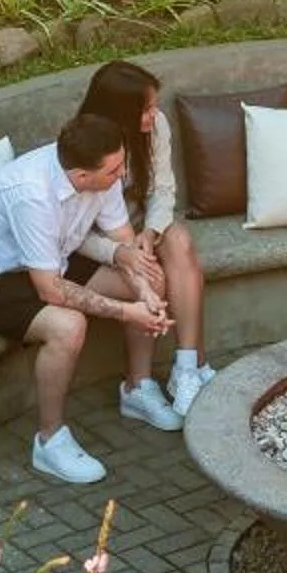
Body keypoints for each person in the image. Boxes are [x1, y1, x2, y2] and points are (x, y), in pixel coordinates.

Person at [0, 109, 174, 485]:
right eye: (114, 171)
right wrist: (128, 312)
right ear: (83, 176)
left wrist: (145, 289)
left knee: (150, 276)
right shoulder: (32, 195)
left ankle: (137, 388)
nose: (123, 175)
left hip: (51, 258)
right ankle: (49, 441)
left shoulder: (102, 170)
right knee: (68, 327)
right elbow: (50, 289)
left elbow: (123, 241)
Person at [74, 59, 215, 417]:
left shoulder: (156, 128)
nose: (155, 114)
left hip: (142, 222)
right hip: (98, 240)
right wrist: (120, 251)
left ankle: (185, 369)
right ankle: (137, 385)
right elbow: (74, 233)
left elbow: (163, 189)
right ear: (119, 113)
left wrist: (150, 234)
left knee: (180, 243)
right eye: (146, 108)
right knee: (150, 276)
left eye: (154, 105)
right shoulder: (86, 145)